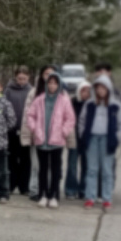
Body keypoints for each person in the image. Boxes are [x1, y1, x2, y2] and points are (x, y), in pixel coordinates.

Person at [24, 69, 74, 208]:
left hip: (57, 142)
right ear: (46, 84)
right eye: (50, 83)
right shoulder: (39, 100)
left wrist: (63, 132)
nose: (52, 86)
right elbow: (30, 116)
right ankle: (42, 195)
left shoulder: (64, 100)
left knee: (56, 170)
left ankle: (54, 196)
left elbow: (70, 118)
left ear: (59, 85)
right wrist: (35, 130)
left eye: (55, 83)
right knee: (43, 170)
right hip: (41, 141)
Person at [77, 76, 120, 211]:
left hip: (108, 140)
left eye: (103, 88)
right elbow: (81, 121)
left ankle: (107, 199)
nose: (101, 91)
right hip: (92, 139)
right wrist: (83, 135)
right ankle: (90, 197)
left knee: (107, 171)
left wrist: (117, 138)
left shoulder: (114, 105)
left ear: (108, 89)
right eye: (98, 88)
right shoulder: (89, 104)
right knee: (91, 170)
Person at [4, 67, 35, 196]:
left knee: (25, 159)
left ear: (28, 78)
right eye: (19, 78)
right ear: (15, 77)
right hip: (11, 130)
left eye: (24, 78)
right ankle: (11, 184)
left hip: (26, 131)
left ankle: (24, 186)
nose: (21, 81)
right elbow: (3, 106)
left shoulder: (32, 91)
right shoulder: (8, 90)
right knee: (11, 158)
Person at [66, 80, 93, 199]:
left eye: (88, 91)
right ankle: (70, 190)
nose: (86, 93)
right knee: (72, 166)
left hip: (87, 140)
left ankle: (83, 190)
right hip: (74, 138)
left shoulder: (93, 105)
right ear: (79, 91)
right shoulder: (72, 102)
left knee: (86, 166)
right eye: (83, 91)